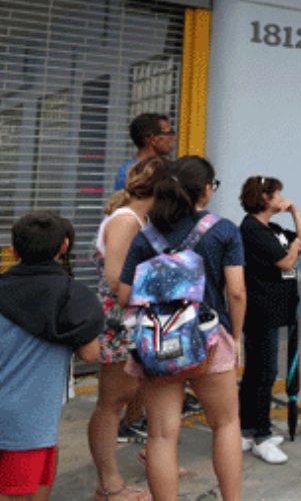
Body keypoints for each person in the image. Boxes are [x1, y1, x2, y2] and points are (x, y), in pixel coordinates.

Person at [117, 156, 245, 500]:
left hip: (159, 342)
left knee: (161, 436)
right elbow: (236, 291)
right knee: (226, 424)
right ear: (206, 190)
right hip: (211, 338)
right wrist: (236, 336)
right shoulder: (223, 230)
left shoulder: (147, 236)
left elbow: (125, 294)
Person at [1, 213, 104, 501]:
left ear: (13, 250)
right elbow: (91, 353)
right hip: (31, 423)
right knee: (22, 494)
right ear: (64, 246)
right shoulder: (73, 297)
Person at [88, 157, 167, 500]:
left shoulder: (137, 218)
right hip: (123, 322)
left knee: (132, 396)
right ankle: (109, 484)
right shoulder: (125, 221)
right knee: (111, 403)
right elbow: (117, 282)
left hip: (134, 320)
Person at [237, 176, 301, 464]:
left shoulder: (273, 227)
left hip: (275, 308)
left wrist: (294, 212)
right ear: (265, 197)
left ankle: (247, 430)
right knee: (264, 373)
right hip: (260, 309)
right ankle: (261, 436)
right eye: (278, 194)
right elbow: (286, 262)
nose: (282, 198)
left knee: (258, 372)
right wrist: (292, 251)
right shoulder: (252, 228)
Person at [114, 113, 175, 192]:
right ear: (152, 138)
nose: (173, 138)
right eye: (169, 133)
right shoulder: (129, 172)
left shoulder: (167, 168)